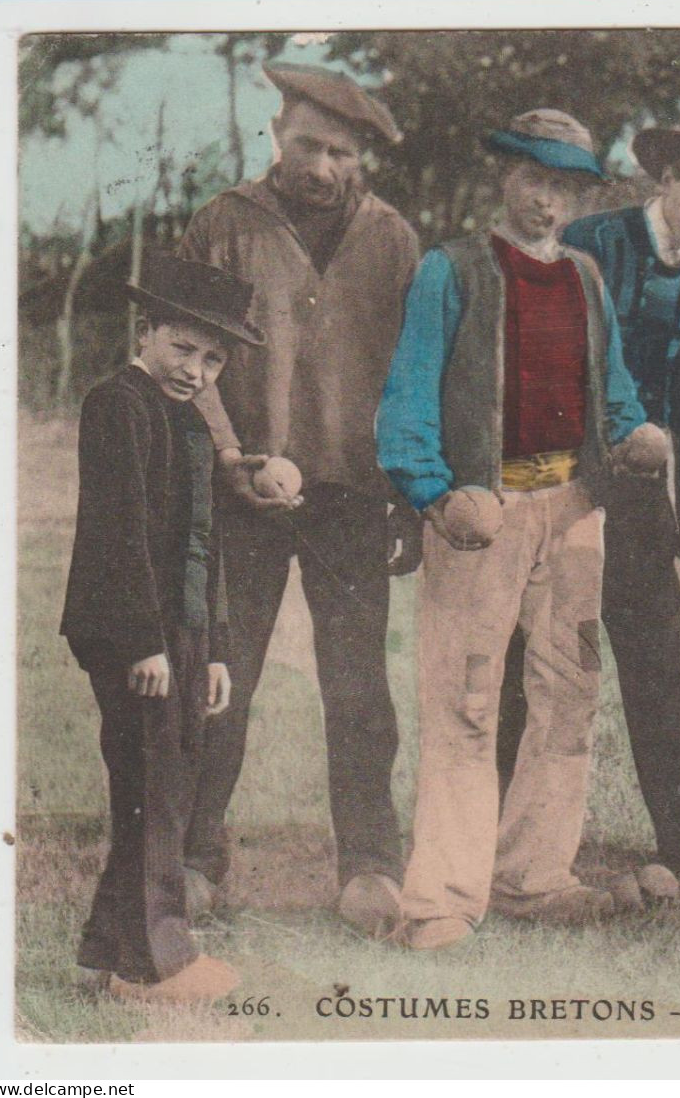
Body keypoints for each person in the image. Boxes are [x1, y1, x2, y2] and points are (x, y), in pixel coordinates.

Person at [376, 109, 650, 951]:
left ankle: (534, 875)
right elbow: (407, 398)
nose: (546, 203)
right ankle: (443, 898)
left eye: (564, 188)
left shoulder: (585, 278)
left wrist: (638, 432)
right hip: (478, 514)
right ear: (506, 177)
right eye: (534, 181)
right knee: (463, 698)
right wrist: (435, 491)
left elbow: (616, 393)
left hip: (570, 508)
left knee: (568, 693)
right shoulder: (449, 269)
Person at [497, 123, 680, 875]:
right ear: (663, 185)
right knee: (529, 651)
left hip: (636, 490)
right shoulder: (592, 240)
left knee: (659, 652)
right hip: (553, 476)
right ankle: (495, 822)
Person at [176, 62, 420, 936]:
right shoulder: (223, 224)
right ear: (279, 131)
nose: (323, 166)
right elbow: (182, 352)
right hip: (241, 490)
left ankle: (368, 864)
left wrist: (409, 496)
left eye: (343, 152)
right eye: (311, 143)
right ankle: (197, 856)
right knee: (222, 676)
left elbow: (409, 377)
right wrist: (230, 453)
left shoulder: (392, 239)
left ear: (361, 161)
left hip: (353, 495)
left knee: (358, 685)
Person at [60, 254, 264, 1002]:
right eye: (182, 347)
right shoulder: (118, 403)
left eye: (212, 358)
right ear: (146, 331)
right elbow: (119, 533)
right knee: (150, 785)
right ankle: (156, 964)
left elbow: (202, 544)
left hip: (179, 633)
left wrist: (211, 650)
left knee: (165, 788)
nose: (196, 369)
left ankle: (111, 958)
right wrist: (143, 639)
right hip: (131, 631)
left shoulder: (189, 423)